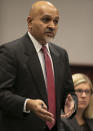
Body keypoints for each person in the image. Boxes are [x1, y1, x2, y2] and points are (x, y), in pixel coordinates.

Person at [0, 1, 77, 131]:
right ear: (30, 22)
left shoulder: (61, 54)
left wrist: (72, 102)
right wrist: (27, 104)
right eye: (46, 20)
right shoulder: (10, 51)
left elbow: (68, 92)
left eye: (56, 21)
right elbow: (2, 93)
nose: (52, 26)